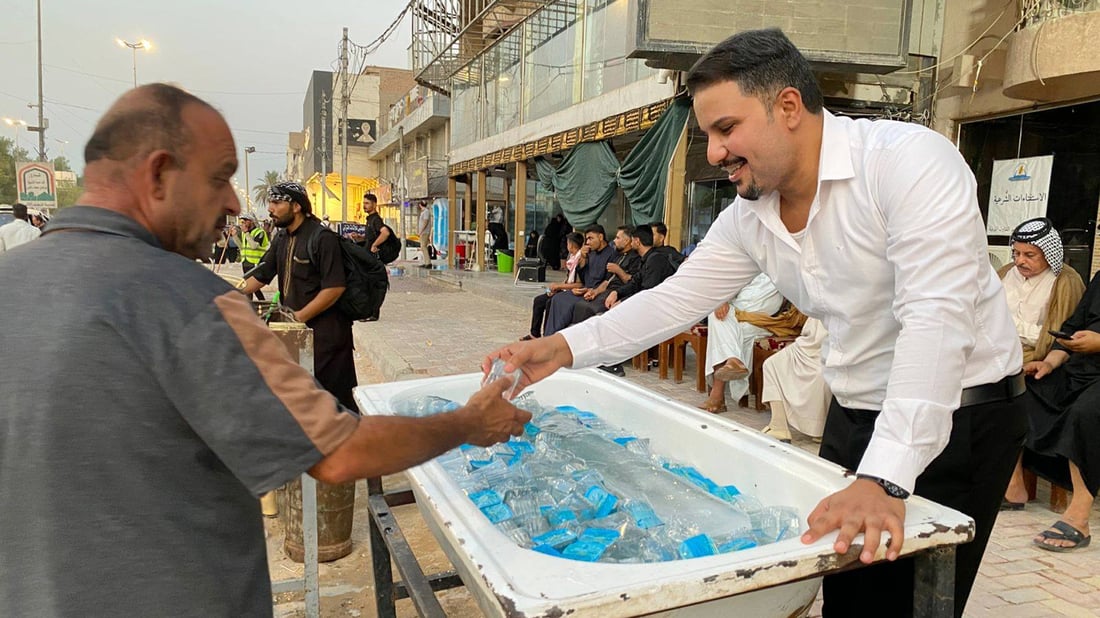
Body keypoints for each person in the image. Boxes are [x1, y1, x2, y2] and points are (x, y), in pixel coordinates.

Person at [482, 29, 1025, 618]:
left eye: (726, 129)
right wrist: (562, 346)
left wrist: (887, 479)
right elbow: (675, 299)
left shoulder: (907, 162)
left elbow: (935, 320)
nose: (714, 153)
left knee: (914, 604)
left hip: (959, 417)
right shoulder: (750, 217)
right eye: (708, 135)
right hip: (855, 413)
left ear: (788, 107)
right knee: (848, 596)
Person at [0, 84, 530, 617]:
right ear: (159, 174)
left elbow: (333, 291)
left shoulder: (10, 281)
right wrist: (466, 423)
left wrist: (294, 316)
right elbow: (340, 452)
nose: (234, 201)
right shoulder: (187, 301)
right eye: (219, 177)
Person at [999, 272, 1100, 550]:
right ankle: (1014, 486)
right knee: (1021, 388)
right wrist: (1050, 364)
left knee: (1086, 413)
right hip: (1082, 368)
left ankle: (1079, 514)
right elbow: (1072, 327)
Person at [241, 182, 361, 408]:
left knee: (335, 404)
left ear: (295, 206)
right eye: (270, 202)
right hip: (299, 336)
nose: (270, 209)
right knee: (304, 401)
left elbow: (335, 287)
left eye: (276, 202)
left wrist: (298, 318)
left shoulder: (322, 237)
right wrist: (226, 292)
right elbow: (262, 274)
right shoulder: (281, 238)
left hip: (328, 338)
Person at [996, 218, 1084, 365]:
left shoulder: (1066, 282)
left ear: (1048, 254)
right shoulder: (1005, 272)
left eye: (1029, 255)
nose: (1019, 261)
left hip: (1037, 362)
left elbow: (1056, 338)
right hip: (993, 355)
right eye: (1016, 253)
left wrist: (1006, 324)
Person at [697, 273, 784, 414]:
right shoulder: (749, 264)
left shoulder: (781, 267)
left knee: (725, 331)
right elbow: (730, 285)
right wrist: (723, 300)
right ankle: (733, 361)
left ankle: (717, 394)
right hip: (736, 314)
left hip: (760, 321)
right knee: (717, 317)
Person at [760, 317, 831, 442]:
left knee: (820, 375)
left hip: (827, 347)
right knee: (772, 363)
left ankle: (820, 428)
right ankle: (778, 424)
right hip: (810, 342)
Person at [543, 224, 616, 337]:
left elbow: (608, 280)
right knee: (557, 299)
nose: (588, 242)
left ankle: (559, 338)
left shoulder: (612, 254)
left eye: (591, 238)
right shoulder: (590, 254)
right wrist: (582, 259)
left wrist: (592, 290)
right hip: (583, 289)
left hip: (597, 292)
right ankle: (550, 337)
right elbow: (583, 276)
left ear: (601, 237)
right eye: (587, 239)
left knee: (569, 304)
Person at [569, 225, 642, 326]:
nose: (614, 241)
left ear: (627, 241)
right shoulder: (617, 256)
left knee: (590, 309)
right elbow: (607, 281)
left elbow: (633, 282)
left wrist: (619, 271)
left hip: (620, 293)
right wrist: (595, 292)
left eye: (617, 238)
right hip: (606, 291)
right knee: (580, 305)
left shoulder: (635, 258)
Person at [523, 232, 585, 341]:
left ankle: (548, 335)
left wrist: (559, 286)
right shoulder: (572, 257)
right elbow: (568, 277)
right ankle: (534, 333)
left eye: (567, 243)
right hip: (564, 288)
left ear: (571, 244)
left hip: (571, 291)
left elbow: (580, 283)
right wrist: (555, 287)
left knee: (549, 303)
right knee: (538, 300)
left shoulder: (580, 259)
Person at [238, 213, 270, 300]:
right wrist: (234, 236)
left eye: (245, 221)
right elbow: (241, 247)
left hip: (255, 263)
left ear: (251, 221)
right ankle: (250, 304)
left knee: (254, 287)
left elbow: (254, 246)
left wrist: (246, 233)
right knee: (247, 286)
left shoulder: (260, 232)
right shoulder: (245, 233)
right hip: (245, 262)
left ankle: (262, 302)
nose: (243, 223)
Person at [417, 200, 433, 269]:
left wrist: (421, 231)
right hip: (423, 232)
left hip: (425, 232)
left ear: (420, 205)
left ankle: (428, 263)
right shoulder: (424, 212)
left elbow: (425, 222)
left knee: (423, 246)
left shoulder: (426, 212)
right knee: (423, 247)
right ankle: (426, 261)